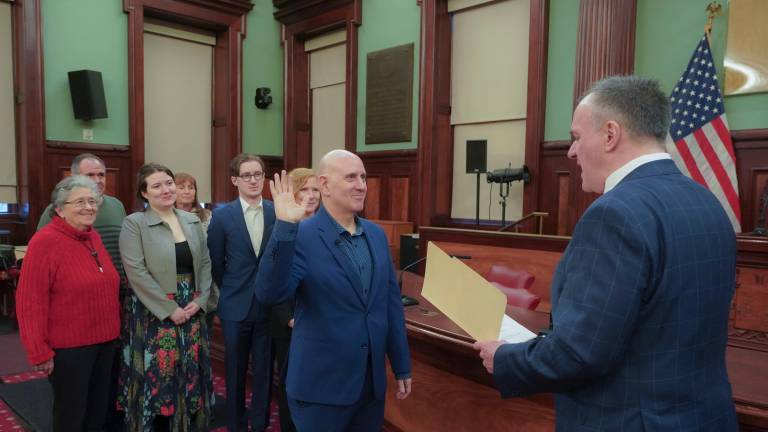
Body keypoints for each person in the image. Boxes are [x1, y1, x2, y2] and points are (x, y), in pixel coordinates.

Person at [473, 76, 738, 430]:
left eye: (577, 137)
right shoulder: (710, 204)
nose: (570, 151)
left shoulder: (615, 214)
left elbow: (581, 353)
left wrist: (505, 358)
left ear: (610, 134)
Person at [254, 150, 412, 432]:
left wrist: (401, 364)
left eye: (363, 177)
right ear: (325, 185)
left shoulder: (375, 235)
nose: (361, 185)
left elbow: (389, 304)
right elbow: (269, 293)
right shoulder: (300, 234)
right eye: (351, 177)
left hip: (370, 387)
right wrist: (284, 227)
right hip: (320, 388)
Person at [17, 176, 121, 432]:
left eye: (93, 201)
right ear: (60, 209)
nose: (89, 207)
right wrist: (38, 350)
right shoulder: (44, 242)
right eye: (80, 202)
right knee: (72, 416)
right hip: (70, 348)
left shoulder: (92, 236)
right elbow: (30, 301)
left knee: (98, 412)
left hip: (106, 342)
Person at [119, 163, 213, 432]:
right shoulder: (134, 223)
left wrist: (201, 299)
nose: (166, 189)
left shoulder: (191, 220)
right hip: (154, 309)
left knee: (189, 369)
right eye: (157, 185)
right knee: (159, 374)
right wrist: (169, 308)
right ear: (144, 193)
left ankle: (184, 423)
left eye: (169, 183)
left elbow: (205, 263)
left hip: (192, 306)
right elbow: (135, 272)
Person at [206, 154, 275, 432]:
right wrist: (233, 289)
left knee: (264, 373)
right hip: (236, 306)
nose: (254, 180)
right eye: (246, 175)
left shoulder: (276, 211)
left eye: (258, 174)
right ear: (235, 180)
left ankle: (259, 424)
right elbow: (216, 262)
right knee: (234, 371)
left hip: (269, 306)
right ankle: (236, 425)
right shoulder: (222, 216)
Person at [269, 167, 321, 432]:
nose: (311, 196)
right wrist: (290, 319)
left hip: (321, 325)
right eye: (305, 189)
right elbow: (271, 280)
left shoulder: (328, 226)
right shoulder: (284, 226)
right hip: (289, 324)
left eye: (316, 190)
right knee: (291, 383)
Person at [174, 172, 219, 331]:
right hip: (177, 281)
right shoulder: (168, 216)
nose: (187, 191)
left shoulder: (208, 216)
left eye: (191, 187)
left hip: (204, 280)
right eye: (182, 187)